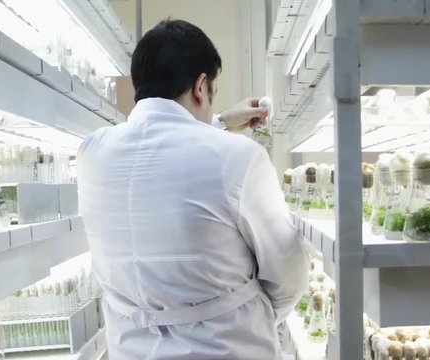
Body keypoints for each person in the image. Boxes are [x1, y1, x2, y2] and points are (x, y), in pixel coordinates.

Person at [77, 19, 309, 359]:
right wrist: (257, 317)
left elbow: (162, 152)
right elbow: (288, 272)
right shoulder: (241, 159)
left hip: (130, 349)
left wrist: (220, 122)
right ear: (201, 86)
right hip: (227, 348)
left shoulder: (92, 152)